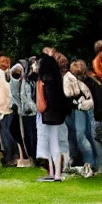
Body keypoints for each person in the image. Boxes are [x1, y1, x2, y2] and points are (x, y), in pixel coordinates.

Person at [36, 50, 70, 182]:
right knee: (53, 142)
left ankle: (55, 173)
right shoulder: (56, 79)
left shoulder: (45, 80)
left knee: (52, 142)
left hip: (49, 113)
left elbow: (47, 99)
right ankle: (55, 173)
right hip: (56, 114)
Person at [65, 60, 98, 176]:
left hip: (82, 110)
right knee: (84, 135)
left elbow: (90, 100)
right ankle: (89, 162)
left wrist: (78, 104)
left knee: (81, 135)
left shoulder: (87, 82)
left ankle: (90, 162)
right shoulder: (85, 81)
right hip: (79, 109)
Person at [86, 41, 102, 159]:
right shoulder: (94, 75)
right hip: (98, 111)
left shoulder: (92, 75)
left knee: (96, 137)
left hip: (97, 112)